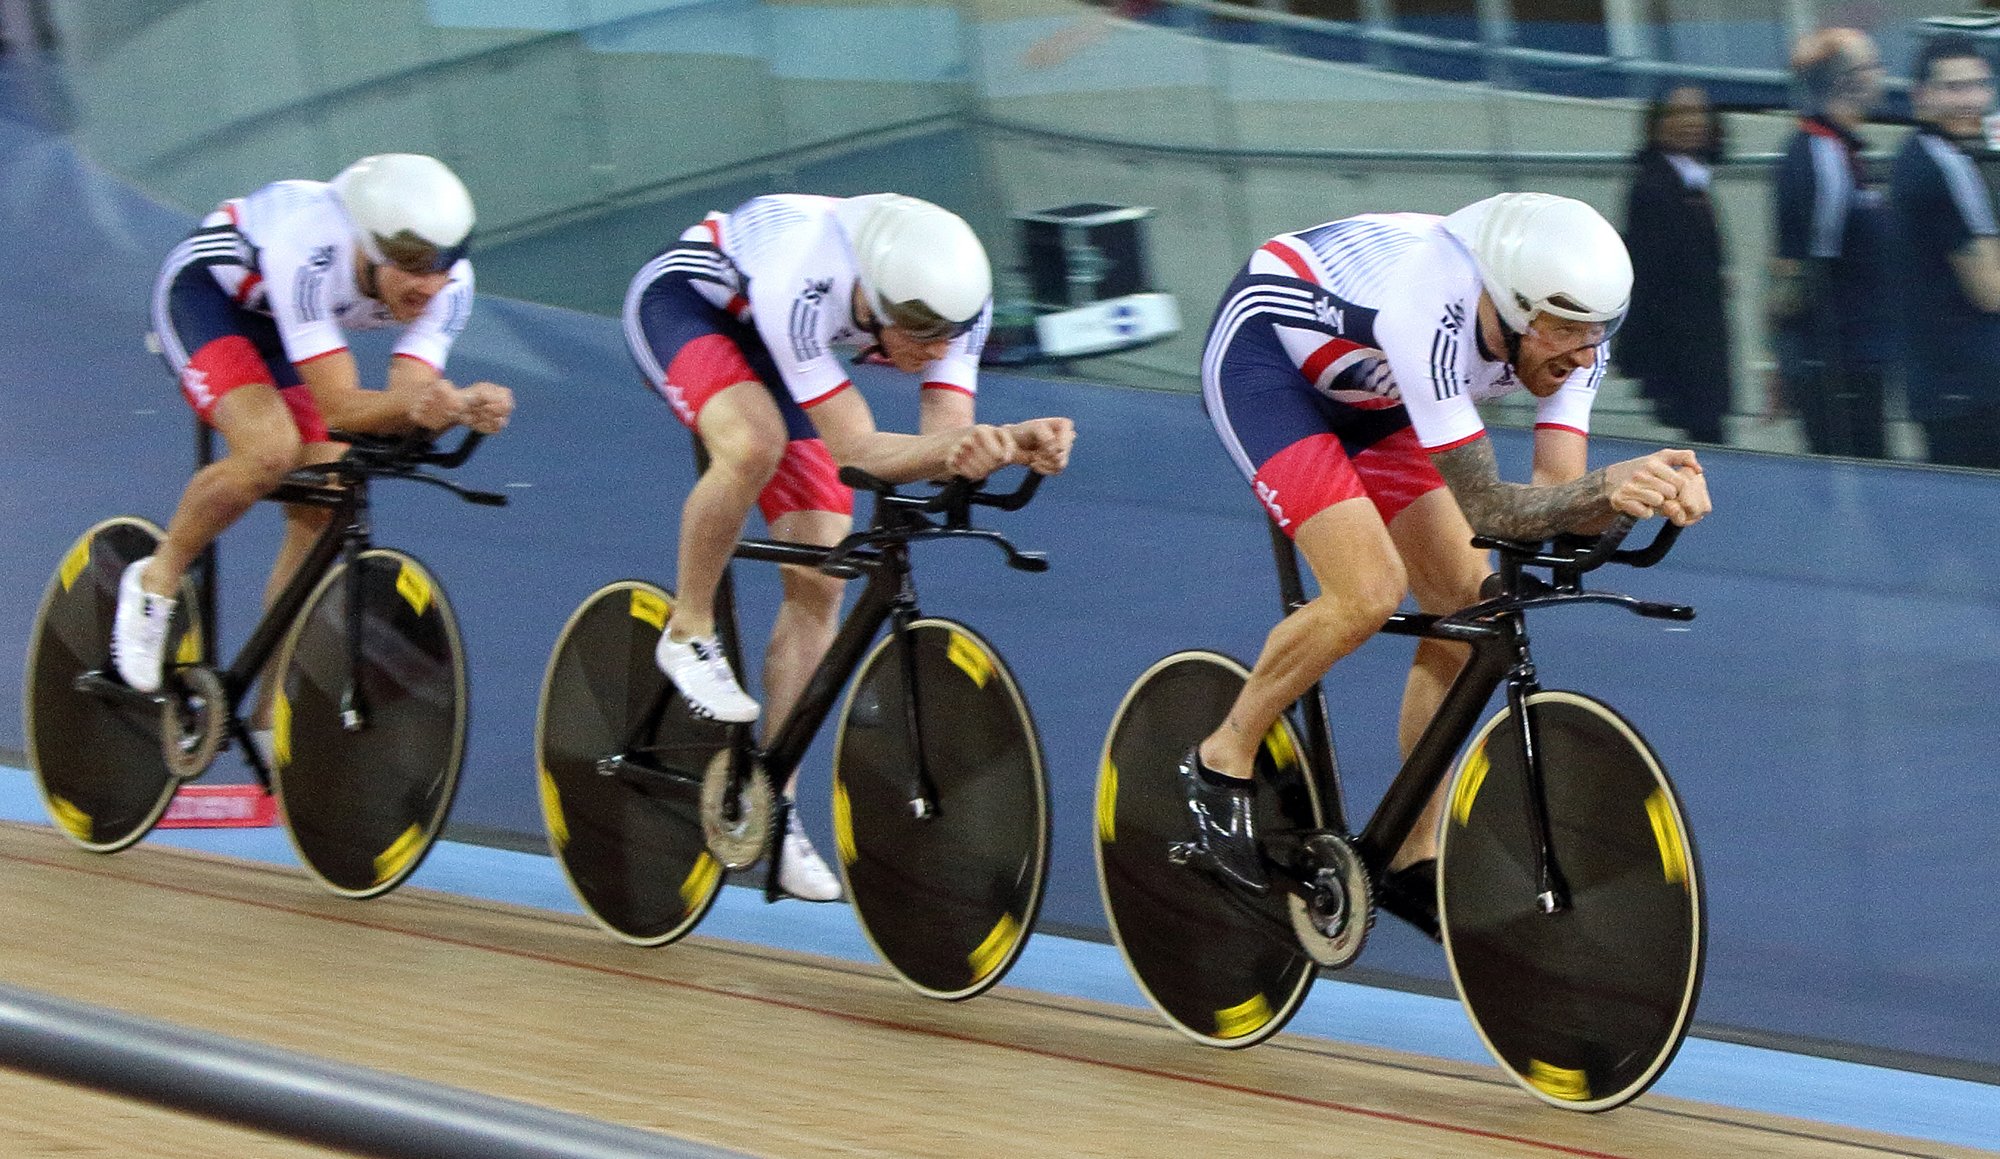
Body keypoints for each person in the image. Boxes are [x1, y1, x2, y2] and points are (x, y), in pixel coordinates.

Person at [1185, 192, 1712, 937]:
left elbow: (1554, 496)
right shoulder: (1424, 309)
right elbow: (1494, 511)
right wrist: (1604, 488)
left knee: (1471, 603)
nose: (1585, 356)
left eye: (1598, 335)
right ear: (1510, 307)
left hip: (1383, 394)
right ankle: (1220, 759)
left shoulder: (1578, 329)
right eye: (1565, 334)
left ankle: (1409, 851)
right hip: (1271, 365)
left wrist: (1643, 494)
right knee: (1367, 590)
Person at [624, 192, 1075, 901]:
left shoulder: (957, 304)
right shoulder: (804, 280)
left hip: (780, 352)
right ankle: (688, 628)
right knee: (752, 443)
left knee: (823, 574)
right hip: (692, 305)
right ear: (874, 297)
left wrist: (1004, 443)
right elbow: (859, 446)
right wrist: (960, 446)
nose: (933, 350)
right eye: (917, 333)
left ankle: (776, 809)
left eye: (945, 337)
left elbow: (942, 435)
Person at [115, 154, 515, 734]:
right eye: (411, 266)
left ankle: (271, 715)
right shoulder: (309, 247)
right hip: (211, 301)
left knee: (326, 492)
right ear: (369, 249)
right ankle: (156, 581)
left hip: (287, 331)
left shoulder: (450, 288)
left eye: (444, 266)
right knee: (268, 452)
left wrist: (456, 409)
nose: (429, 285)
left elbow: (404, 404)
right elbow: (340, 405)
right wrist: (422, 406)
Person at [1767, 27, 1893, 459]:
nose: (1881, 75)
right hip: (1837, 364)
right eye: (1873, 66)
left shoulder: (1842, 150)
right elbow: (1800, 269)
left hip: (1856, 354)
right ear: (1847, 81)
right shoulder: (1822, 157)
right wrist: (1789, 362)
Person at [1890, 35, 2000, 470]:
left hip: (1947, 384)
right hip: (1973, 392)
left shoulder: (1918, 155)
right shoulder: (1947, 167)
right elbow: (1991, 290)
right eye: (1953, 88)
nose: (1970, 99)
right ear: (1922, 96)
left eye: (1978, 85)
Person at [1619, 84, 1733, 446]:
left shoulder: (1692, 179)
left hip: (1701, 343)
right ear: (1656, 124)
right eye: (1679, 113)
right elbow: (1650, 274)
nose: (1691, 122)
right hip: (1679, 351)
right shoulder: (1653, 186)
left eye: (1698, 113)